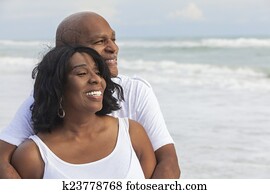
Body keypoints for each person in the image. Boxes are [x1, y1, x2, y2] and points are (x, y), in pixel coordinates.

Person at [0, 11, 180, 178]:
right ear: (66, 53)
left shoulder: (135, 96)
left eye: (113, 39)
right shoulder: (41, 104)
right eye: (100, 42)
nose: (113, 47)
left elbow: (169, 163)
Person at [11, 45, 156, 178]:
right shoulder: (33, 155)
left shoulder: (132, 133)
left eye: (98, 72)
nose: (96, 79)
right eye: (81, 73)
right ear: (57, 87)